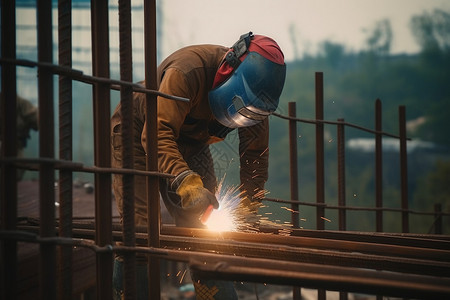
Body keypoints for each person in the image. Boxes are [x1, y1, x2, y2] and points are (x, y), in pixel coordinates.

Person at [111, 32, 286, 300]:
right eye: (239, 107)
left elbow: (255, 155)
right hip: (139, 130)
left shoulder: (255, 101)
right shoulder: (187, 70)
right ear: (228, 70)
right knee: (140, 231)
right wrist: (186, 182)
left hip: (191, 143)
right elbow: (156, 134)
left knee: (204, 232)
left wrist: (250, 203)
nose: (242, 116)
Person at [0, 93, 38, 180]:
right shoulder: (20, 103)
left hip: (14, 145)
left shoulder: (20, 103)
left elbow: (38, 120)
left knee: (15, 169)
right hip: (12, 146)